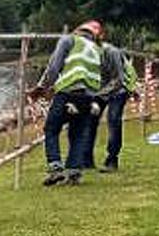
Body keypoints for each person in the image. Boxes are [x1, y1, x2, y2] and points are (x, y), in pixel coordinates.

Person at [29, 19, 103, 185]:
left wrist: (41, 87)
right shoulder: (96, 50)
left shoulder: (69, 40)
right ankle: (74, 172)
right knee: (77, 133)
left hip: (68, 92)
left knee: (52, 128)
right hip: (88, 96)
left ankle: (56, 168)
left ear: (78, 30)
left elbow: (54, 66)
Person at [93, 34, 139, 172]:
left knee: (113, 120)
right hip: (102, 89)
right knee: (89, 119)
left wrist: (98, 94)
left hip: (119, 89)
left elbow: (118, 80)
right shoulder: (87, 55)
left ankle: (112, 159)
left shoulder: (112, 52)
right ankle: (85, 159)